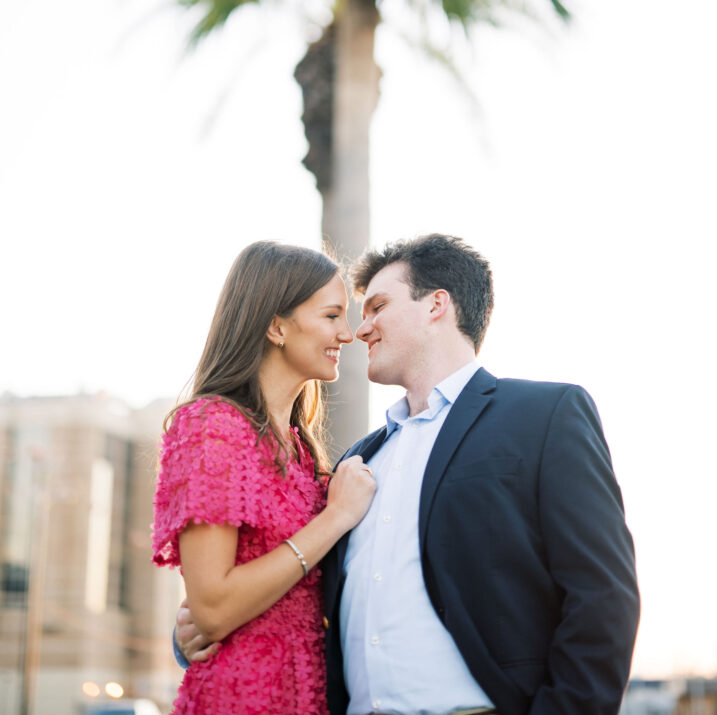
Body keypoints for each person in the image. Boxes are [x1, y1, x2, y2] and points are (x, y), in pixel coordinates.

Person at [177, 234, 640, 715]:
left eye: (377, 307)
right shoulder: (353, 467)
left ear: (436, 304)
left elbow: (602, 594)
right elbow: (288, 590)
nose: (361, 329)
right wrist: (194, 632)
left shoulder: (543, 416)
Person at [153, 240, 376, 715]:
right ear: (276, 325)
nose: (349, 333)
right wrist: (335, 518)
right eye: (332, 316)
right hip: (243, 695)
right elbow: (211, 610)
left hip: (310, 692)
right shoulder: (213, 426)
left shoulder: (301, 450)